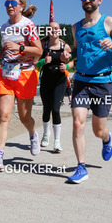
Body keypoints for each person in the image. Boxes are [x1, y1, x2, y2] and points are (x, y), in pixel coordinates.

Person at [68, 0, 112, 184]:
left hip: (102, 83)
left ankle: (106, 138)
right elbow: (76, 53)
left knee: (98, 130)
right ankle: (81, 167)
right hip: (81, 81)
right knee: (77, 123)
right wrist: (68, 58)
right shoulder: (75, 27)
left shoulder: (109, 22)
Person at [0, 0, 42, 171]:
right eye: (7, 3)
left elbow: (39, 51)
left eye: (13, 3)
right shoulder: (4, 27)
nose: (9, 6)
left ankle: (33, 134)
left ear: (21, 6)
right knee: (3, 116)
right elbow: (6, 48)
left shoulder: (28, 25)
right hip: (6, 74)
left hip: (25, 75)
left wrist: (20, 47)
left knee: (25, 117)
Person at [37, 22, 73, 153]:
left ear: (60, 31)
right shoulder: (42, 46)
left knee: (56, 110)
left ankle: (57, 141)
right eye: (51, 28)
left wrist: (67, 66)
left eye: (56, 28)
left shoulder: (65, 46)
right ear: (47, 31)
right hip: (46, 81)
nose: (53, 30)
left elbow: (72, 61)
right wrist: (43, 61)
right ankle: (46, 134)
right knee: (46, 109)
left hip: (60, 82)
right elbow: (35, 64)